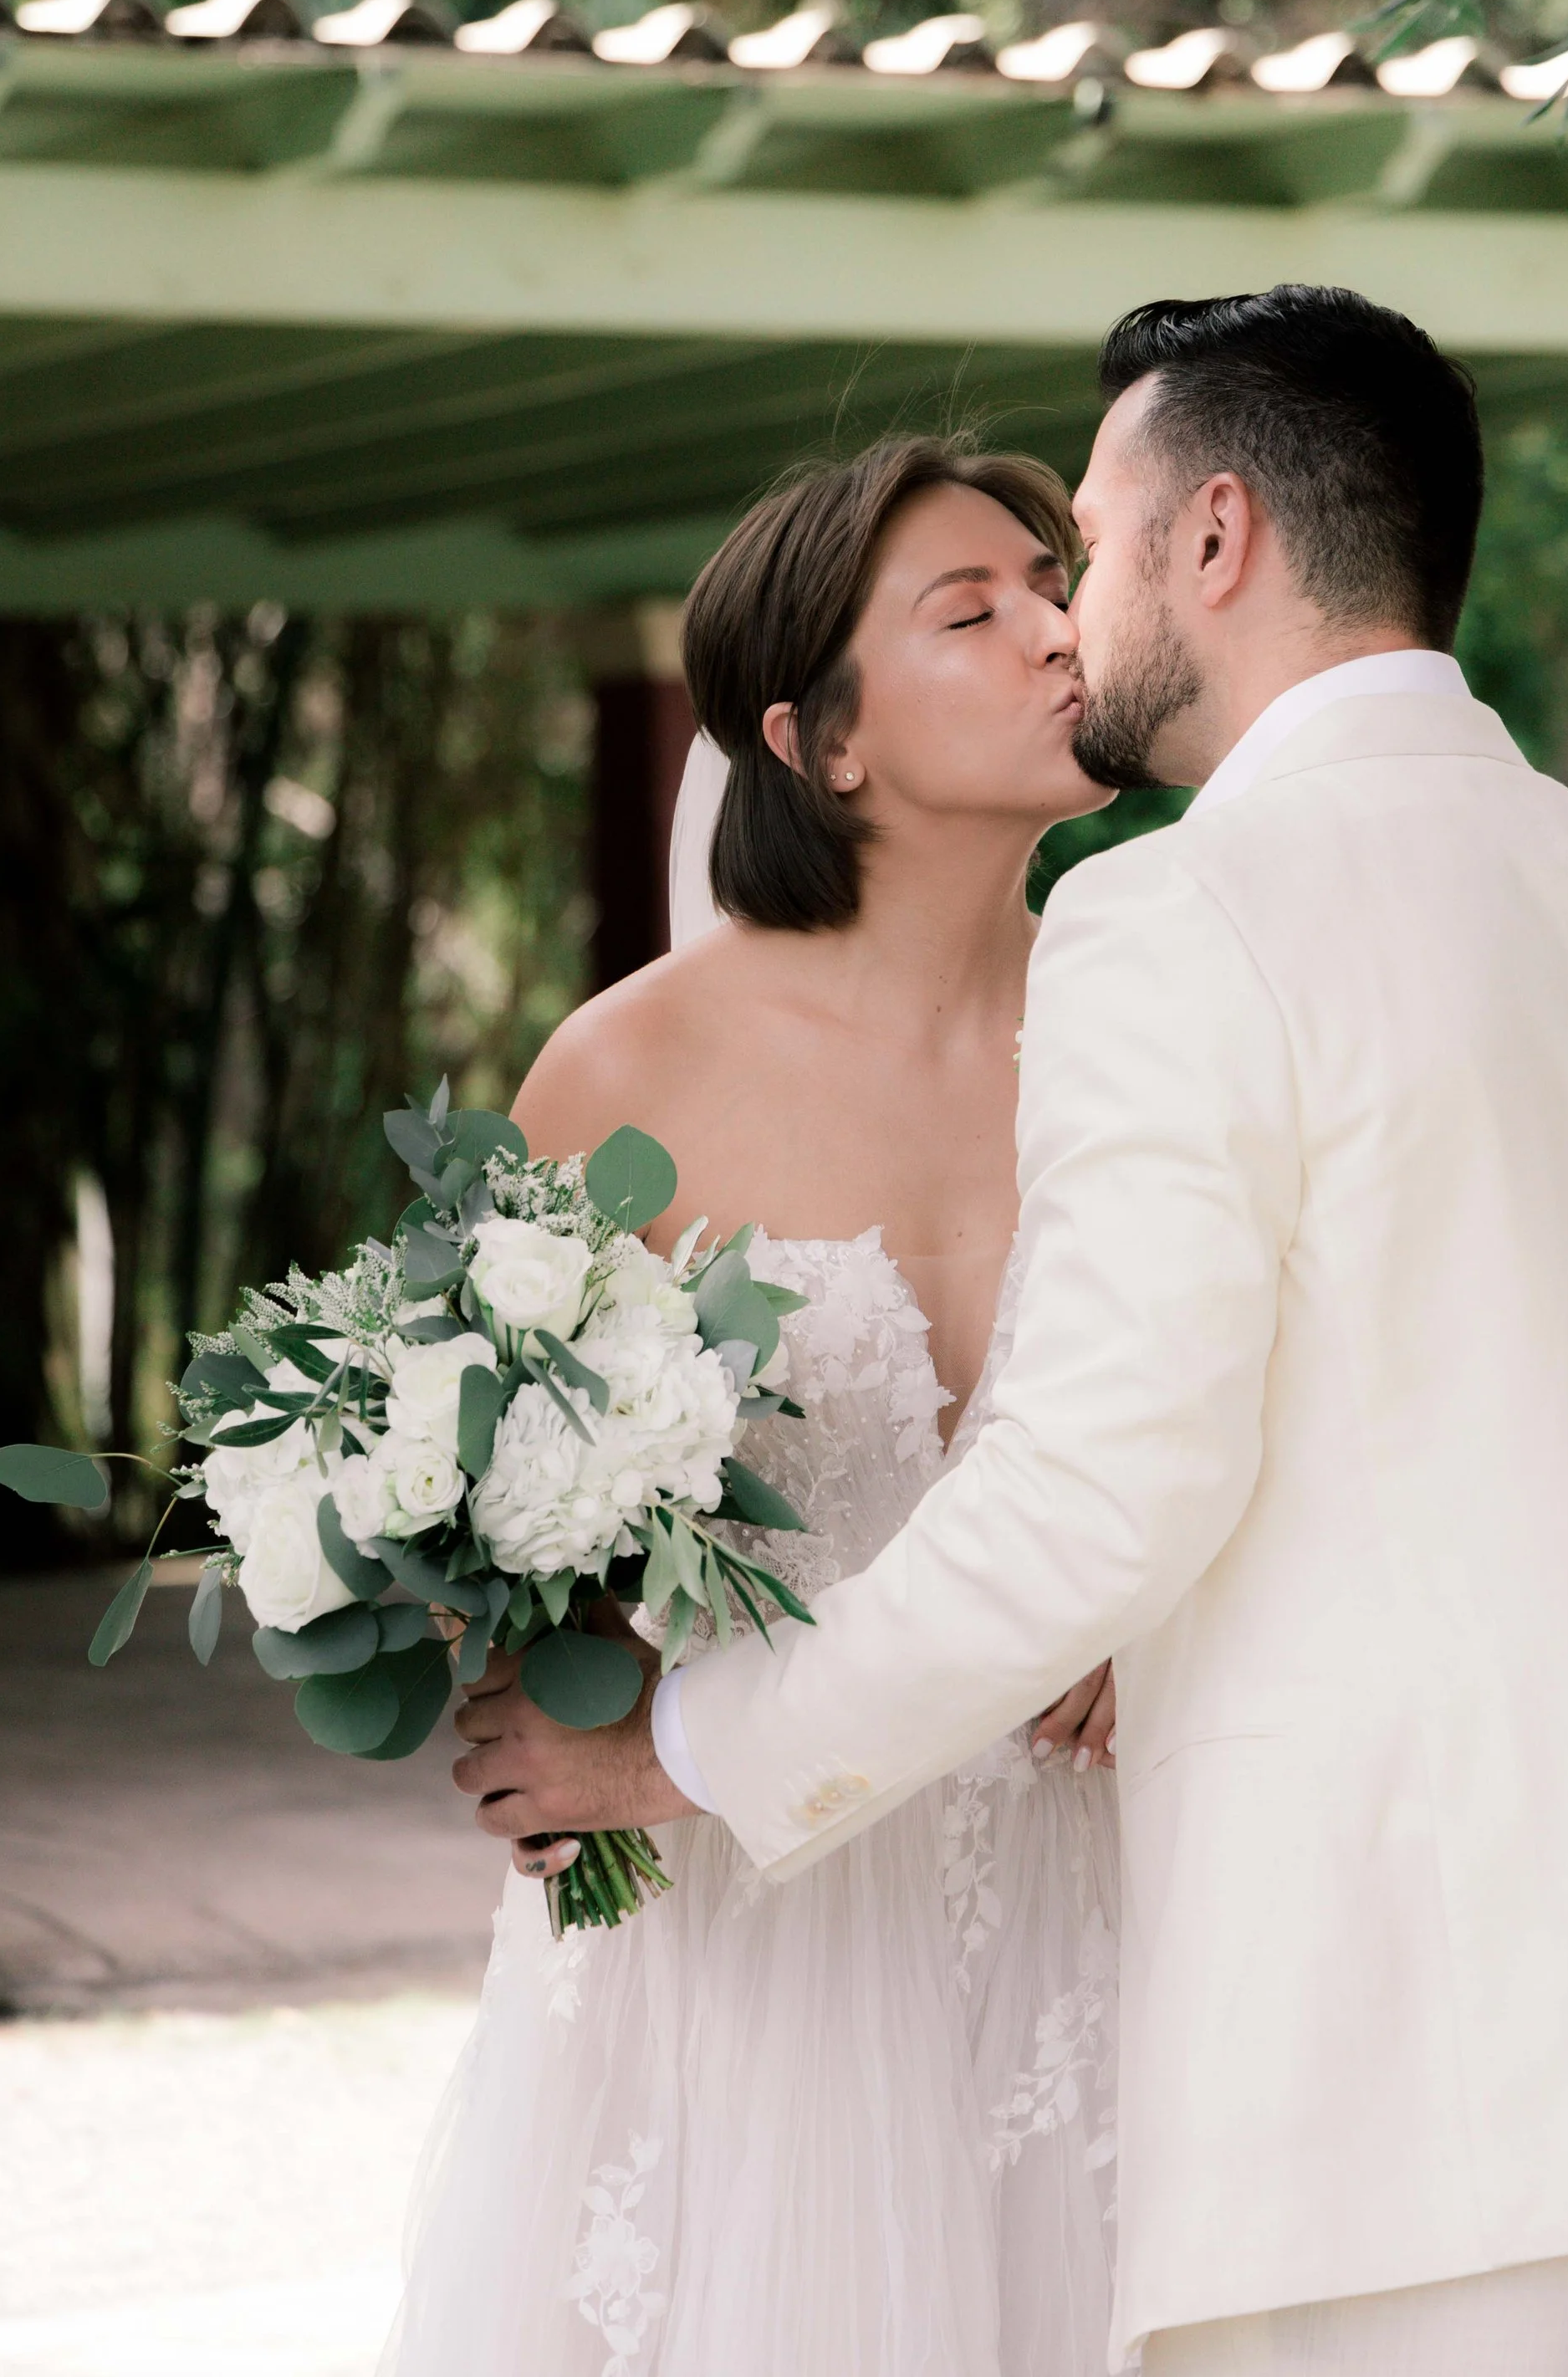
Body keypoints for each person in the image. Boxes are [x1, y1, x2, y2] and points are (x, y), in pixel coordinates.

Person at [461, 282, 1568, 2377]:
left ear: (1212, 541)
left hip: (1392, 2099)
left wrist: (684, 1745)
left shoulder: (1177, 917)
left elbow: (1089, 1499)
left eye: (1102, 549)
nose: (1077, 620)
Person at [386, 436, 1129, 2377]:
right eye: (974, 611)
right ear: (819, 742)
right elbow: (489, 1526)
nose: (1061, 633)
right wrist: (533, 1680)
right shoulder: (629, 1065)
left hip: (1106, 1907)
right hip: (754, 1943)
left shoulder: (1155, 1030)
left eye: (1055, 585)